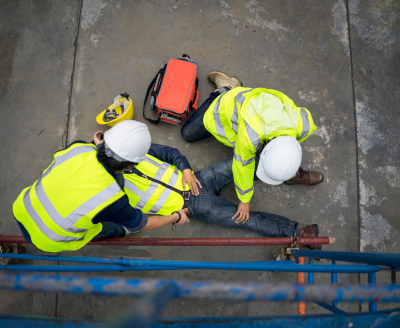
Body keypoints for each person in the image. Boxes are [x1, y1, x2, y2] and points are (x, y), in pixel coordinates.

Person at [116, 134, 321, 248]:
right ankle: (301, 232)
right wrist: (175, 217)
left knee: (242, 164)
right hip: (193, 207)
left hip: (198, 179)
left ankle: (288, 172)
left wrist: (185, 169)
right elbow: (137, 224)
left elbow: (169, 153)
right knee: (248, 220)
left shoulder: (130, 150)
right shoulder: (113, 195)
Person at [12, 121, 189, 252]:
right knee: (111, 225)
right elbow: (145, 224)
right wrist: (175, 217)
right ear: (129, 166)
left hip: (23, 207)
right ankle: (122, 231)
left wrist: (98, 148)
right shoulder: (113, 197)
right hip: (49, 238)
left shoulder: (79, 147)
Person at [181, 71, 324, 225]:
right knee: (187, 134)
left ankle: (292, 173)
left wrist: (288, 165)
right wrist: (244, 199)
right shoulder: (249, 137)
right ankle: (225, 88)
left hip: (254, 111)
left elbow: (290, 148)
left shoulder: (303, 125)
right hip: (225, 108)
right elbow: (242, 166)